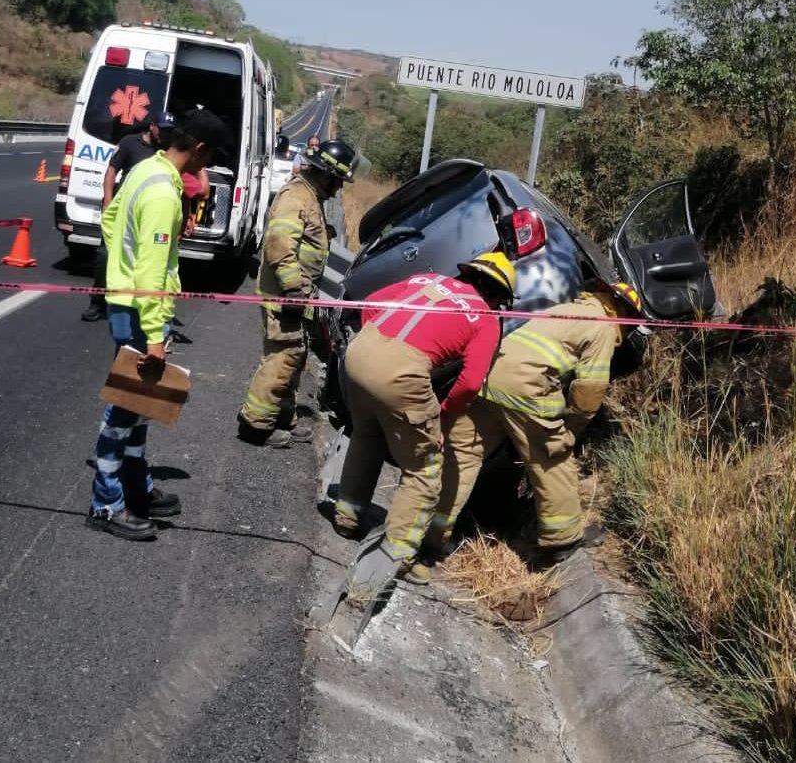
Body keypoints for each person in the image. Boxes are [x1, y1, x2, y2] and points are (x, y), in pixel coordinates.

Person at [429, 281, 644, 572]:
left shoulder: (570, 309)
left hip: (490, 376)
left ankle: (431, 531)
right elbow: (589, 389)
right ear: (625, 316)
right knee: (552, 458)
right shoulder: (604, 326)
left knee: (463, 455)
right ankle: (563, 540)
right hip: (527, 386)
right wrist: (571, 430)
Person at [330, 253, 516, 588]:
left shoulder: (427, 281)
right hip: (403, 374)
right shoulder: (486, 318)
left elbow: (371, 302)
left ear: (469, 275)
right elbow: (472, 382)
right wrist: (443, 416)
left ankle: (347, 514)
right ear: (499, 297)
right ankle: (398, 557)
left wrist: (380, 345)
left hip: (360, 352)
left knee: (368, 434)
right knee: (424, 469)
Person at [85, 124, 214, 540]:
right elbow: (152, 272)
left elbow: (109, 218)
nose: (208, 166)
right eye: (209, 158)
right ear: (199, 149)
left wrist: (119, 266)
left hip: (127, 301)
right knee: (124, 408)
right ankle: (106, 504)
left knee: (141, 405)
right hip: (141, 311)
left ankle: (135, 487)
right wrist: (156, 337)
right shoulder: (163, 192)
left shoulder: (146, 169)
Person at [238, 139, 361, 447]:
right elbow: (280, 246)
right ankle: (256, 426)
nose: (339, 189)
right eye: (338, 181)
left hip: (297, 298)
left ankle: (283, 419)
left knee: (295, 357)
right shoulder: (296, 198)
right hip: (285, 296)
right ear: (327, 174)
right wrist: (294, 290)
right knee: (281, 358)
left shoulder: (310, 196)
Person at [81, 111, 176, 322]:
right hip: (123, 209)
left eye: (169, 131)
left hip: (149, 213)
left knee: (142, 260)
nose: (165, 134)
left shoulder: (166, 151)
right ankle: (97, 303)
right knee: (106, 256)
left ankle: (134, 305)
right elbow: (111, 171)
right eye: (162, 129)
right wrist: (107, 200)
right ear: (152, 126)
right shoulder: (130, 143)